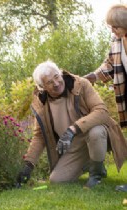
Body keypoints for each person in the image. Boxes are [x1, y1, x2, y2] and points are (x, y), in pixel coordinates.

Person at [17, 60, 127, 189]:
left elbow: (102, 112)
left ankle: (96, 174)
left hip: (93, 135)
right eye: (49, 82)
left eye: (56, 77)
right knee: (56, 180)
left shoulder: (81, 84)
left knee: (95, 132)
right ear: (42, 87)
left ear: (60, 73)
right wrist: (28, 165)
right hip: (74, 146)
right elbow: (39, 136)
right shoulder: (42, 103)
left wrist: (72, 130)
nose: (56, 83)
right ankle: (92, 162)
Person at [83, 4, 127, 191]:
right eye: (110, 26)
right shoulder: (117, 41)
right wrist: (92, 77)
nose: (112, 30)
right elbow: (110, 64)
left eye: (116, 26)